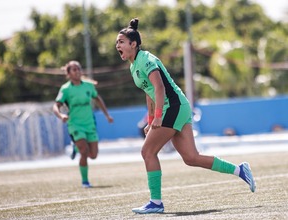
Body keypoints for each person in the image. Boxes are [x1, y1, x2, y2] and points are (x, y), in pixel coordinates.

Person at [115, 18, 256, 214]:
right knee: (191, 158)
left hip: (173, 107)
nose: (117, 45)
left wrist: (157, 117)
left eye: (121, 41)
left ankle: (156, 202)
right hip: (177, 107)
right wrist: (150, 119)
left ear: (133, 44)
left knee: (147, 152)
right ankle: (240, 170)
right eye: (117, 42)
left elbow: (159, 87)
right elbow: (149, 93)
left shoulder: (146, 59)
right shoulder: (133, 66)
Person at [53, 60, 114, 188]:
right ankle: (85, 181)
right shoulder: (65, 89)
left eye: (78, 69)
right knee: (84, 151)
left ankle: (75, 147)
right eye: (74, 69)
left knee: (93, 155)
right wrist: (61, 115)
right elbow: (56, 105)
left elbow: (97, 99)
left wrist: (107, 115)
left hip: (89, 124)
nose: (77, 71)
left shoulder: (88, 86)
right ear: (68, 73)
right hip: (75, 124)